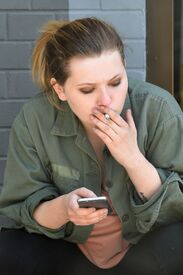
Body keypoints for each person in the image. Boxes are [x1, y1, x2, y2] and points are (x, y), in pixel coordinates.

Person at [0, 17, 183, 275]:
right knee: (9, 250)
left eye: (116, 82)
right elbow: (22, 210)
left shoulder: (158, 109)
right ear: (60, 89)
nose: (107, 100)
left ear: (125, 68)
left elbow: (177, 211)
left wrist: (133, 159)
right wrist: (64, 209)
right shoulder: (34, 119)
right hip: (70, 253)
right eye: (87, 90)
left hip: (146, 252)